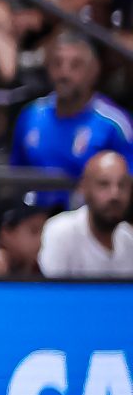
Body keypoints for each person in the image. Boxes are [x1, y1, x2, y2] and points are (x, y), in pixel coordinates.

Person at [11, 31, 133, 200]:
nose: (64, 73)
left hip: (90, 213)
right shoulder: (31, 114)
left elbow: (126, 188)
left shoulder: (114, 124)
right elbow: (15, 177)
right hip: (34, 211)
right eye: (57, 64)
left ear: (93, 71)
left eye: (75, 65)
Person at [37, 151, 133, 278]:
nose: (115, 194)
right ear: (84, 188)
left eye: (122, 185)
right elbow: (53, 289)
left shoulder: (129, 239)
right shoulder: (61, 231)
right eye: (104, 184)